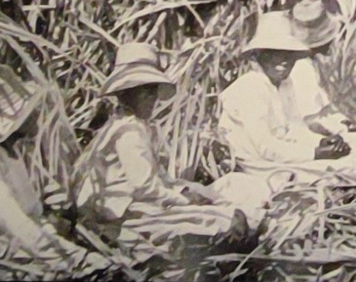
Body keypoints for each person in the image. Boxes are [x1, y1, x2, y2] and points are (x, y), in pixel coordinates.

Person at [73, 42, 271, 265]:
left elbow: (158, 178)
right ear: (126, 94)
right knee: (224, 220)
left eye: (153, 91)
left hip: (130, 205)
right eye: (145, 92)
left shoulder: (129, 125)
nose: (153, 98)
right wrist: (182, 200)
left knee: (222, 198)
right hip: (120, 214)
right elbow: (145, 186)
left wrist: (185, 189)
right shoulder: (127, 132)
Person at [0, 68, 109, 279]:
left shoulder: (14, 153)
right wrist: (72, 259)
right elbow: (17, 225)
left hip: (23, 242)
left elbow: (31, 217)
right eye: (30, 111)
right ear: (15, 122)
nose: (37, 115)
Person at [219, 12, 356, 189]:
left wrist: (321, 142)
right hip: (261, 166)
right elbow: (265, 147)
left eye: (289, 53)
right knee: (350, 168)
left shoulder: (284, 84)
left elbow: (296, 128)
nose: (284, 60)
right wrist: (315, 153)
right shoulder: (250, 87)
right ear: (258, 56)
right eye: (274, 53)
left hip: (286, 153)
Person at [284, 0, 353, 137]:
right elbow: (310, 121)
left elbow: (323, 112)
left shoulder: (312, 64)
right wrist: (341, 132)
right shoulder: (302, 69)